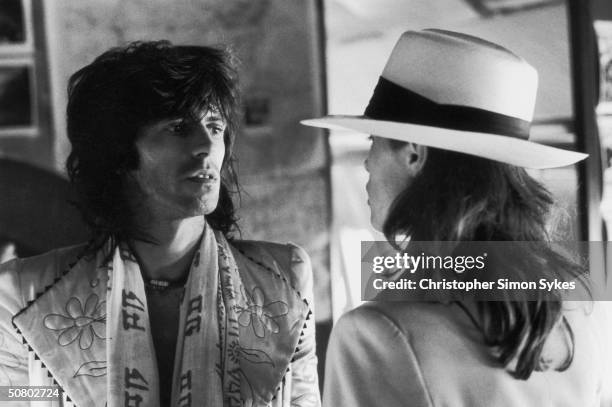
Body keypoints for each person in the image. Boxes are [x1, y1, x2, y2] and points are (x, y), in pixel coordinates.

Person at [0, 41, 320, 407]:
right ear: (120, 153)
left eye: (215, 126)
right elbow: (17, 396)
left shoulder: (283, 281)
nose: (206, 145)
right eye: (179, 128)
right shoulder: (22, 294)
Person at [302, 29, 612, 406]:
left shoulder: (377, 335)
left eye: (373, 142)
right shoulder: (580, 311)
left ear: (414, 154)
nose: (367, 163)